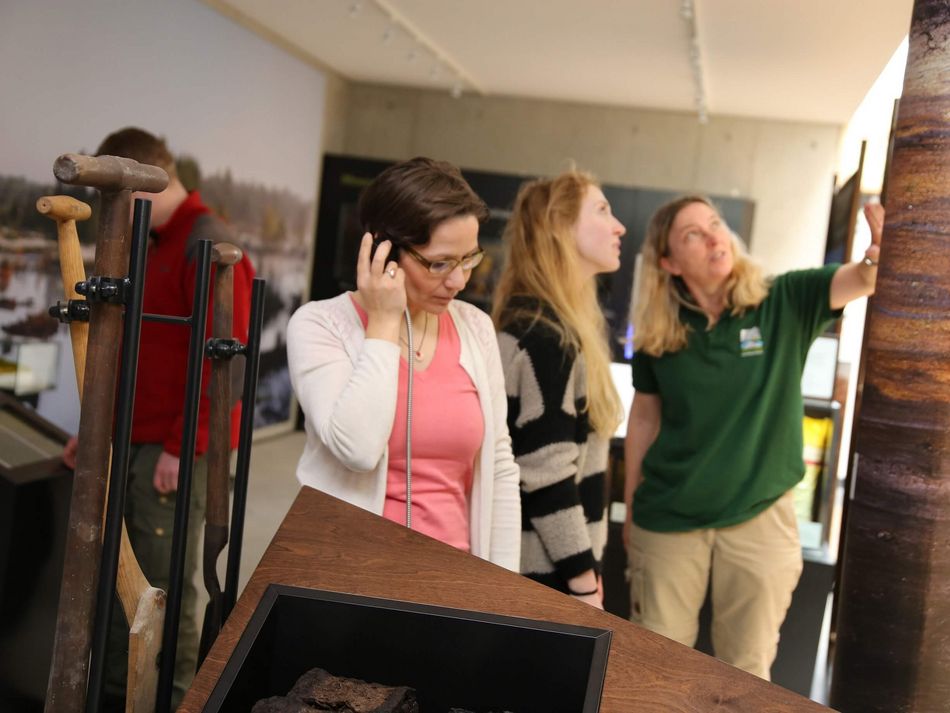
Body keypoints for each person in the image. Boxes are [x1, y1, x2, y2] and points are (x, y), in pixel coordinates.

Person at [623, 194, 883, 678]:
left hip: (759, 517)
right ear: (668, 262)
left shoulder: (783, 300)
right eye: (692, 234)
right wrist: (632, 506)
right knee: (656, 668)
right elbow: (644, 419)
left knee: (745, 673)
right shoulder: (660, 332)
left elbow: (862, 280)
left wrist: (875, 254)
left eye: (715, 224)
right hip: (669, 517)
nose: (714, 237)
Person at [62, 127, 255, 708]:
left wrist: (183, 445)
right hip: (130, 439)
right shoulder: (153, 240)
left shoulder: (207, 241)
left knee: (160, 592)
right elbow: (129, 351)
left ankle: (168, 701)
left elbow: (230, 361)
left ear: (144, 177)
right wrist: (93, 432)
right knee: (121, 587)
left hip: (170, 453)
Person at [286, 157, 520, 570]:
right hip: (348, 574)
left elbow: (499, 467)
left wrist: (502, 588)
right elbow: (356, 449)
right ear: (384, 251)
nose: (459, 281)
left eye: (469, 259)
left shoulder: (475, 328)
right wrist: (383, 323)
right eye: (440, 263)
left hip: (454, 575)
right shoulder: (321, 325)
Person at [492, 169, 626, 608]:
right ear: (561, 227)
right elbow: (547, 473)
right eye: (602, 210)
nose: (618, 226)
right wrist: (584, 582)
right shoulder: (545, 337)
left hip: (545, 568)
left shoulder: (545, 323)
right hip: (545, 576)